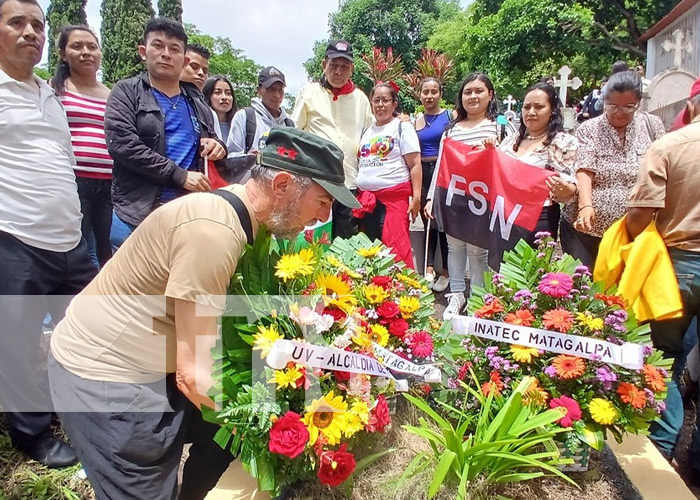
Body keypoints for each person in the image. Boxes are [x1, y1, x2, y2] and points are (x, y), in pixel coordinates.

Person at [48, 127, 361, 499]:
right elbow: (193, 376)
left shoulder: (246, 216)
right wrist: (276, 424)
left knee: (224, 437)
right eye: (323, 201)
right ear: (281, 186)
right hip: (107, 380)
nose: (324, 215)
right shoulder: (213, 234)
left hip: (156, 364)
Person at [0, 0, 97, 467]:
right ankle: (31, 432)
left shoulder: (49, 95)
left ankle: (81, 408)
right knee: (17, 342)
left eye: (37, 25)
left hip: (70, 240)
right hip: (14, 238)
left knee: (84, 328)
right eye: (16, 22)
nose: (30, 32)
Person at [625, 79, 700, 469]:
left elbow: (640, 214)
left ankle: (662, 445)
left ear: (690, 105)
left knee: (663, 356)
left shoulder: (669, 146)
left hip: (678, 265)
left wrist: (635, 244)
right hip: (680, 264)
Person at [106, 18, 226, 249]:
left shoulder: (196, 102)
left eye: (174, 49)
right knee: (131, 283)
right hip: (136, 214)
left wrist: (219, 146)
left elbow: (211, 140)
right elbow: (122, 145)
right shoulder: (127, 92)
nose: (166, 54)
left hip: (187, 215)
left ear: (184, 59)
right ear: (144, 51)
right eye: (158, 46)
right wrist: (178, 175)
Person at [424, 73, 515, 316]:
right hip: (455, 198)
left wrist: (495, 148)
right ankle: (456, 295)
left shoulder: (500, 127)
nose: (472, 96)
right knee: (454, 249)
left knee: (478, 251)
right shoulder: (451, 130)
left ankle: (478, 299)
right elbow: (442, 166)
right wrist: (432, 197)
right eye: (467, 92)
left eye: (478, 91)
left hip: (484, 200)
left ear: (490, 95)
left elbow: (513, 161)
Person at [560, 71, 665, 270]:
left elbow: (662, 168)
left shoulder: (652, 126)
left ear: (638, 103)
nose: (619, 112)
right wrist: (585, 207)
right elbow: (585, 169)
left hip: (634, 229)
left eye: (628, 106)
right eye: (612, 106)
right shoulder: (590, 129)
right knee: (585, 292)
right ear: (604, 102)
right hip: (587, 231)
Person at [293, 40, 373, 239]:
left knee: (347, 240)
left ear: (352, 69)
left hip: (349, 182)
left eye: (344, 66)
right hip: (316, 181)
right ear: (324, 65)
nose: (338, 71)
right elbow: (295, 131)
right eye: (333, 65)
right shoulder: (309, 92)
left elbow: (371, 134)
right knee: (315, 239)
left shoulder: (361, 98)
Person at [50, 25, 113, 269]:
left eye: (92, 47)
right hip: (72, 182)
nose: (86, 52)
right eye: (77, 46)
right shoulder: (53, 90)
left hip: (109, 184)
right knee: (78, 249)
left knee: (108, 248)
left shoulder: (112, 94)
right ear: (63, 53)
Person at [499, 82, 578, 243]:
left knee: (533, 267)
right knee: (503, 267)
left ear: (552, 111)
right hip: (504, 216)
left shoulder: (563, 142)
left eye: (539, 107)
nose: (531, 112)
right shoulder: (509, 141)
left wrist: (565, 189)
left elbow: (571, 186)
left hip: (538, 218)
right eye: (527, 107)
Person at [355, 82, 421, 268]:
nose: (381, 105)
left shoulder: (402, 128)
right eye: (376, 100)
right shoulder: (366, 131)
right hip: (368, 203)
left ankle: (400, 292)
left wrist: (416, 197)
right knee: (371, 252)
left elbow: (415, 164)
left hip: (393, 200)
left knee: (395, 251)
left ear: (394, 104)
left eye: (386, 100)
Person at [414, 77, 450, 292]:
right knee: (427, 222)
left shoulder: (449, 116)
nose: (429, 96)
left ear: (440, 94)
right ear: (420, 95)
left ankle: (445, 271)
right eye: (425, 92)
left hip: (443, 172)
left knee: (442, 224)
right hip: (422, 174)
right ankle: (428, 269)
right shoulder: (414, 120)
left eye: (433, 92)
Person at [227, 66, 293, 158]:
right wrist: (250, 159)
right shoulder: (245, 117)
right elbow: (232, 156)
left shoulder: (289, 124)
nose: (277, 95)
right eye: (271, 89)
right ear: (259, 90)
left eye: (280, 90)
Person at [203, 74, 237, 141]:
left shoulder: (240, 124)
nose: (224, 97)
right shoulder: (201, 125)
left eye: (228, 93)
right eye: (217, 92)